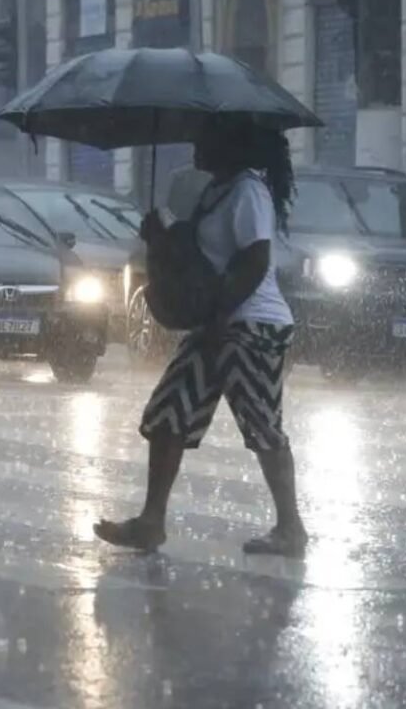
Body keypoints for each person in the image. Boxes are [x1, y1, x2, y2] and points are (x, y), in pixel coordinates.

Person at [95, 126, 305, 557]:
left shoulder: (248, 191)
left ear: (232, 143)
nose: (196, 146)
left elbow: (254, 261)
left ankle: (291, 529)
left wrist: (219, 319)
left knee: (261, 424)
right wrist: (159, 237)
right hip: (215, 323)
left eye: (206, 139)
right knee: (169, 412)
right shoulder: (216, 191)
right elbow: (201, 257)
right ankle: (151, 522)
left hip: (252, 326)